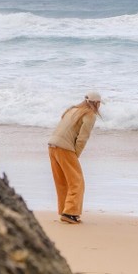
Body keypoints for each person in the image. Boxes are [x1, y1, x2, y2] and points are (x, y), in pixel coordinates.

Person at [48, 91, 102, 224]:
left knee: (62, 181)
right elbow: (83, 138)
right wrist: (75, 155)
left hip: (51, 145)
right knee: (77, 181)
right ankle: (70, 213)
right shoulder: (90, 114)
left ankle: (64, 211)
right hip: (65, 148)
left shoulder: (73, 109)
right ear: (97, 103)